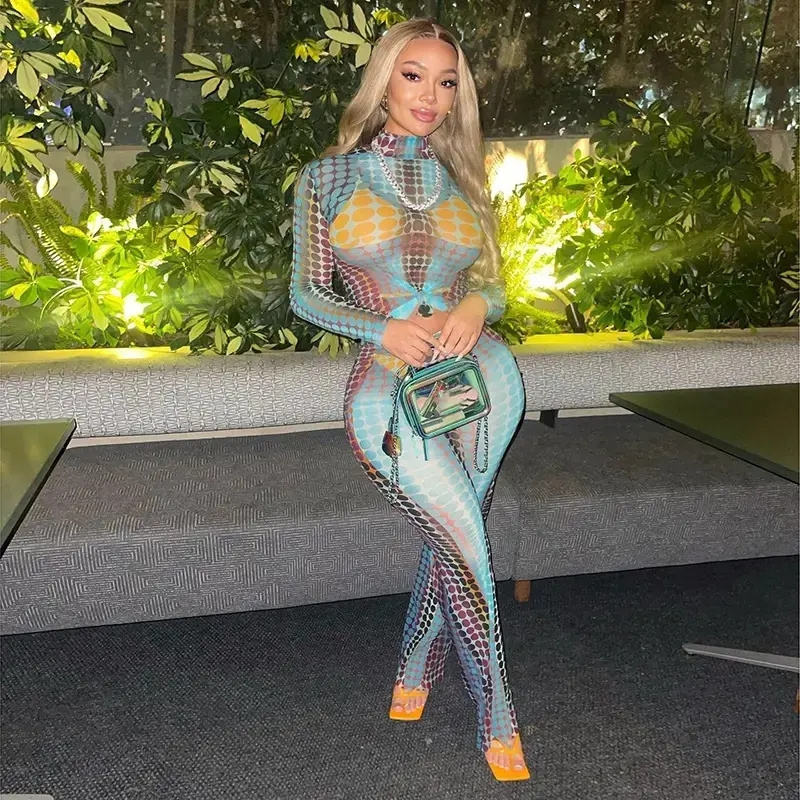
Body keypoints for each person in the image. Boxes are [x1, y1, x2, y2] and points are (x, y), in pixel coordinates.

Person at [290, 17, 529, 782]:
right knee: (464, 540)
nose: (430, 94)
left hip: (485, 374)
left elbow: (492, 283)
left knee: (461, 531)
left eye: (447, 81)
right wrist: (383, 327)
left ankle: (417, 664)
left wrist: (477, 306)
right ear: (384, 80)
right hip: (387, 381)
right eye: (414, 74)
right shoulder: (328, 178)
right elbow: (306, 294)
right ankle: (497, 711)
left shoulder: (465, 176)